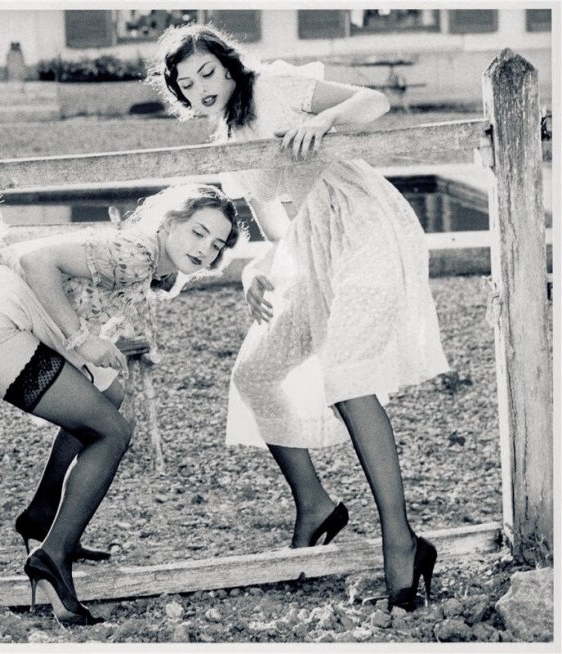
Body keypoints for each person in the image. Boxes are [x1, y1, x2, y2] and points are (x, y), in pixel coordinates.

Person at [148, 24, 450, 611]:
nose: (201, 87)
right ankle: (315, 503)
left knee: (347, 376)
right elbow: (272, 220)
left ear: (229, 66)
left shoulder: (275, 87)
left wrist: (324, 121)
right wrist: (257, 266)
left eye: (207, 72)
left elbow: (374, 100)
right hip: (311, 243)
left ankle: (402, 543)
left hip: (363, 225)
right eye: (187, 84)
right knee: (256, 374)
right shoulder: (225, 139)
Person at [0, 183, 242, 624]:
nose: (205, 249)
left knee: (109, 394)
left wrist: (84, 342)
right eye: (198, 232)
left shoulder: (147, 259)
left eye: (216, 245)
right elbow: (38, 261)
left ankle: (43, 519)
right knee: (113, 432)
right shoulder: (135, 254)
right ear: (170, 222)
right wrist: (81, 339)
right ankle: (52, 558)